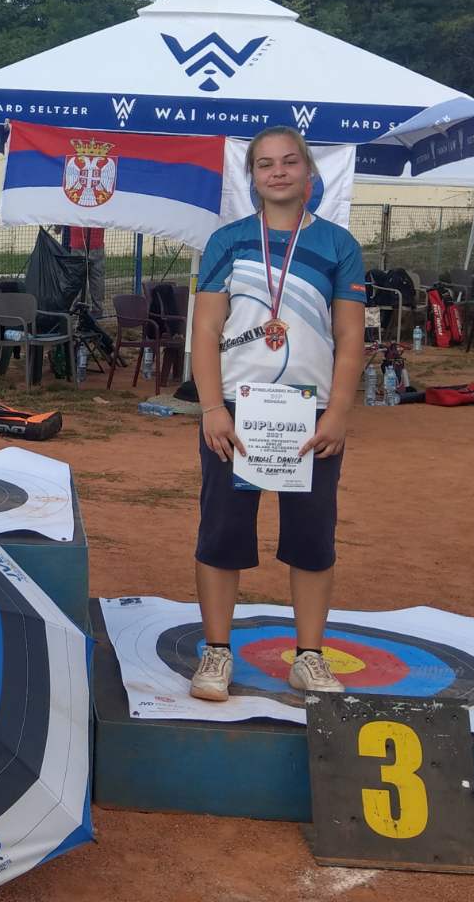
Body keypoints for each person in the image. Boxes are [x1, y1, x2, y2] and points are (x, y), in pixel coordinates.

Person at [187, 126, 365, 701]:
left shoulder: (338, 246)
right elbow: (206, 332)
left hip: (311, 416)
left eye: (290, 161)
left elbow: (350, 337)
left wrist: (338, 413)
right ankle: (217, 651)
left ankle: (308, 656)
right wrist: (210, 408)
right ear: (253, 177)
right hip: (235, 412)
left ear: (309, 172)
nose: (279, 172)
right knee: (222, 532)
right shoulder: (228, 242)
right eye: (265, 164)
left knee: (312, 538)